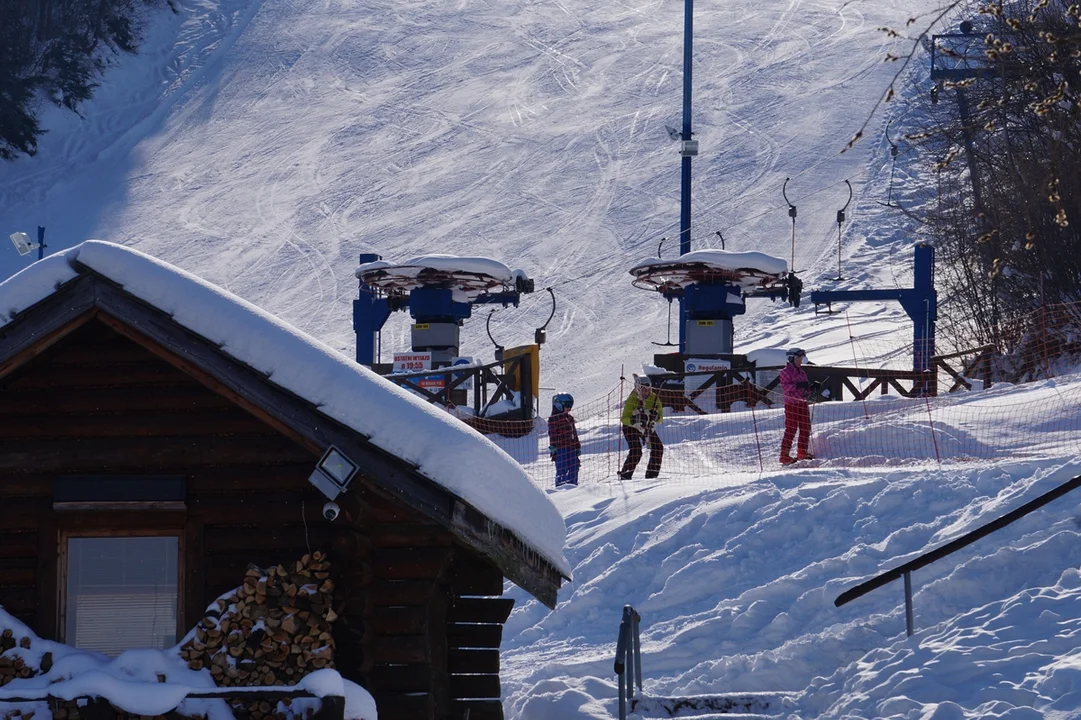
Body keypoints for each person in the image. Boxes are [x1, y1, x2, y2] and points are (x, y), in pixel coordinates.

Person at [619, 375, 664, 479]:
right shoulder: (632, 399)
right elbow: (624, 419)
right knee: (636, 451)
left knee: (658, 448)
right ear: (637, 389)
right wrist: (634, 420)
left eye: (647, 389)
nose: (645, 392)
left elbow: (661, 418)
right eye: (642, 389)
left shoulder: (655, 399)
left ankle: (651, 475)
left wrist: (656, 417)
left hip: (647, 427)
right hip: (630, 428)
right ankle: (625, 476)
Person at [779, 347, 815, 464]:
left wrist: (812, 389)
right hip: (791, 404)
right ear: (791, 358)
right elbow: (786, 388)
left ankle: (802, 452)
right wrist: (798, 385)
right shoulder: (785, 372)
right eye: (799, 358)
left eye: (801, 358)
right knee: (791, 429)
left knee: (805, 427)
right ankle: (784, 456)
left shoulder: (802, 373)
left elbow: (805, 390)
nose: (801, 360)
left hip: (802, 403)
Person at [548, 393, 581, 487]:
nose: (569, 408)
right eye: (567, 406)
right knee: (563, 468)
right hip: (560, 448)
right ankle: (561, 487)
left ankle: (572, 485)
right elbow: (552, 433)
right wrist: (553, 446)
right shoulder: (554, 418)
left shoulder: (569, 418)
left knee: (574, 466)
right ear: (559, 404)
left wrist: (577, 446)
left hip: (571, 447)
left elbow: (574, 433)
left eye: (570, 406)